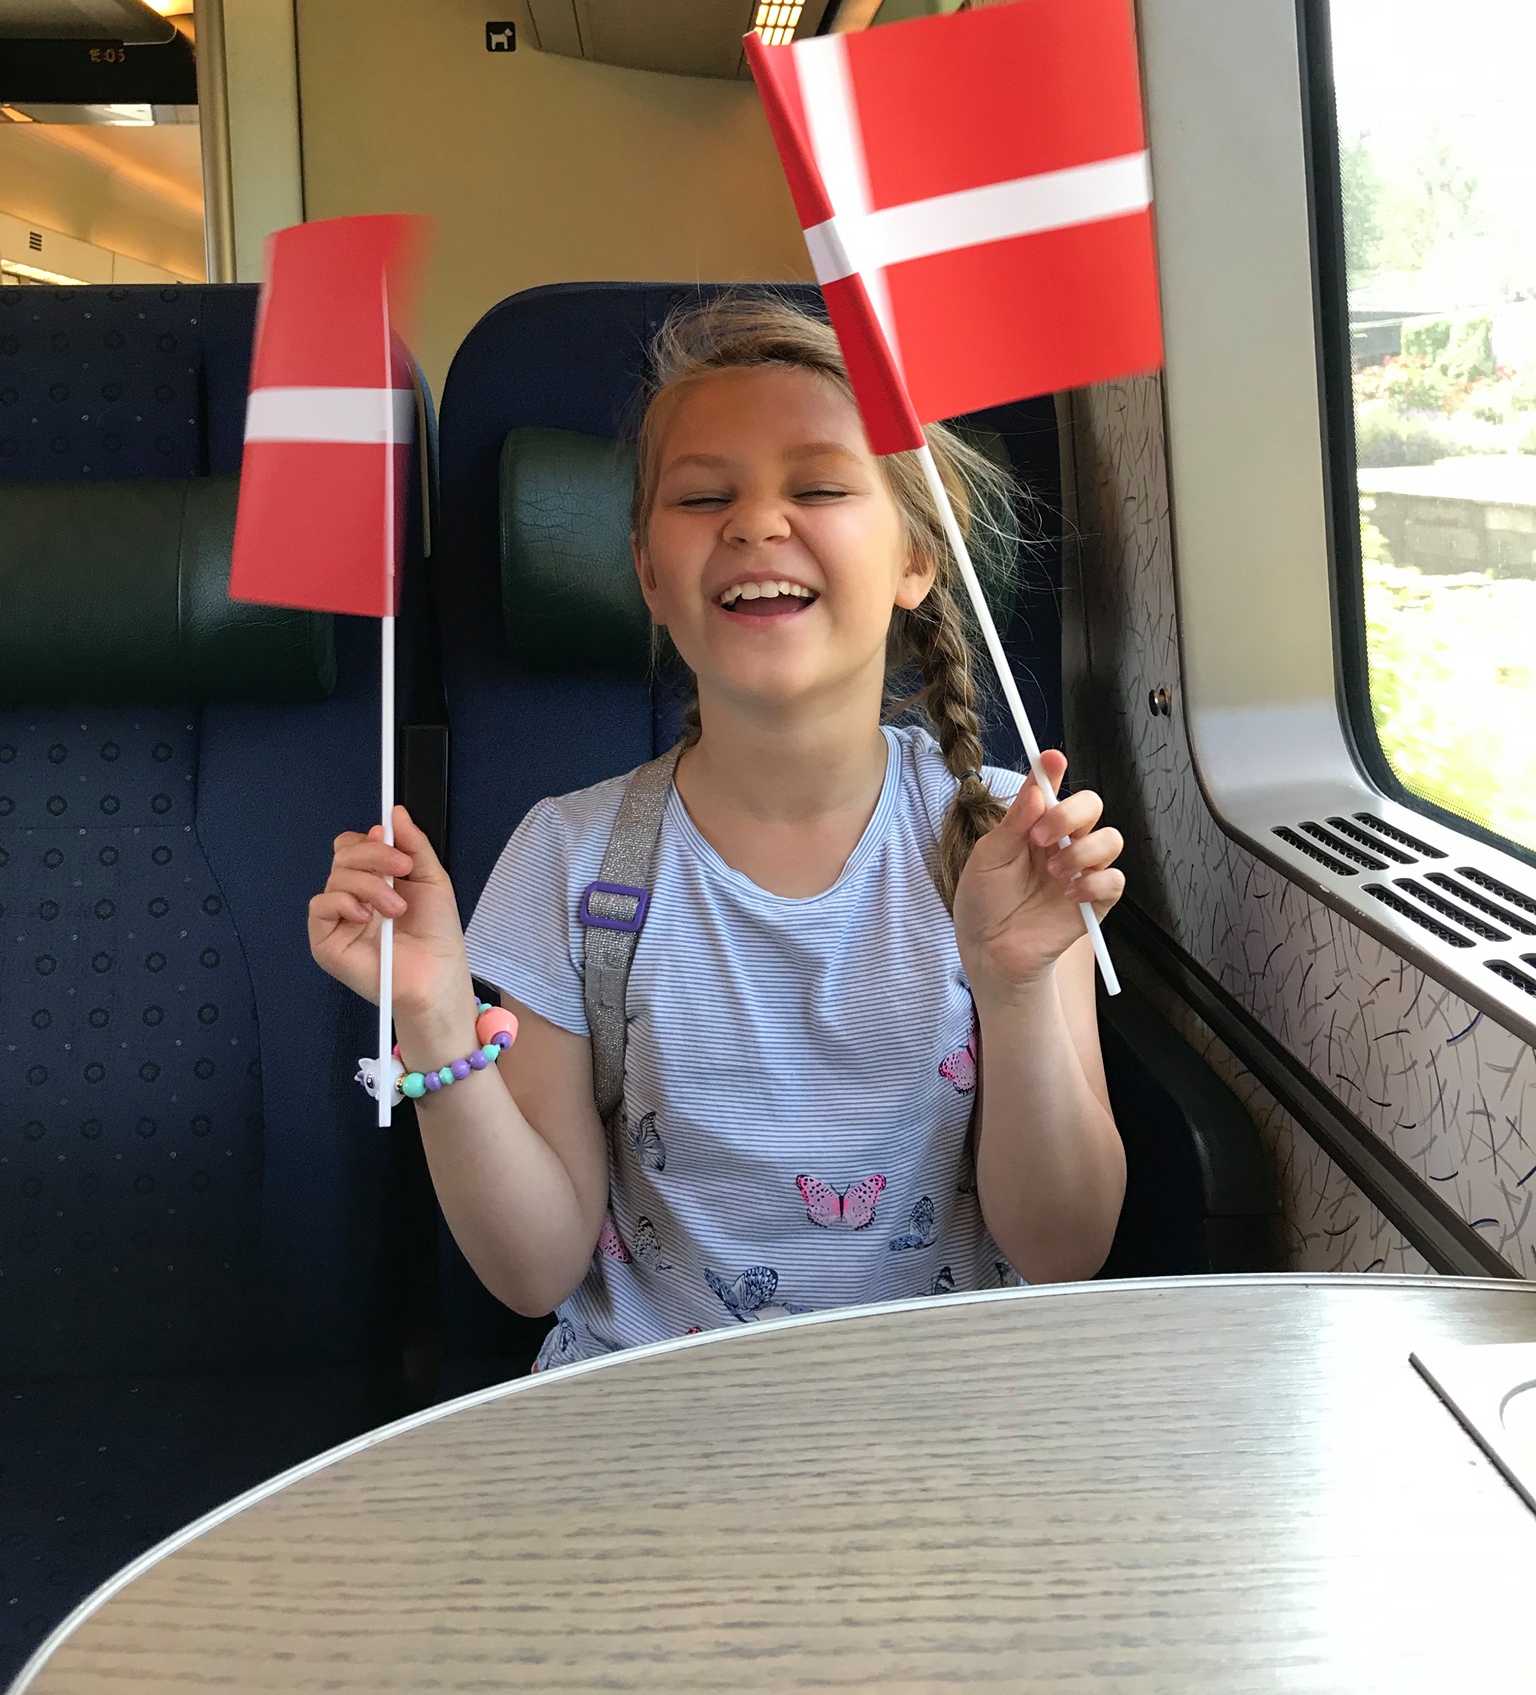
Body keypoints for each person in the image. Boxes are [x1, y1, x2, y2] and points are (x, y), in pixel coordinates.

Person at [309, 295, 1127, 1369]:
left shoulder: (1009, 843)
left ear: (918, 559)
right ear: (650, 574)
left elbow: (1064, 1248)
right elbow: (532, 1268)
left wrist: (1015, 988)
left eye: (822, 484)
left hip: (942, 1409)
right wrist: (435, 1017)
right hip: (656, 1419)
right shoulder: (568, 857)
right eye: (704, 495)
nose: (754, 522)